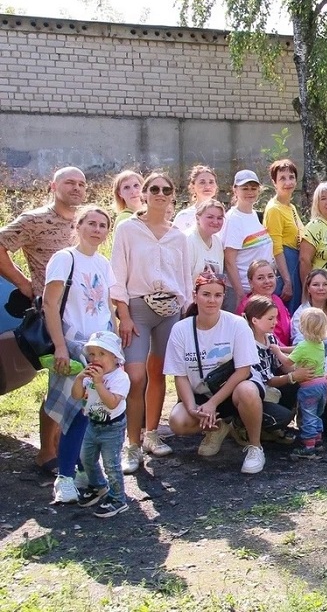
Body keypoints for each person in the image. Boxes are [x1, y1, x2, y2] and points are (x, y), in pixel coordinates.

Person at [0, 167, 86, 475]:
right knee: (58, 380)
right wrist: (23, 282)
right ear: (53, 186)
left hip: (81, 313)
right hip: (52, 314)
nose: (76, 188)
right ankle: (47, 453)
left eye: (81, 184)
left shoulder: (82, 221)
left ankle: (66, 447)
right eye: (69, 182)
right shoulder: (34, 219)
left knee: (75, 381)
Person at [110, 172, 191, 473]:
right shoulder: (128, 230)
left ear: (172, 195)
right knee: (135, 375)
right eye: (153, 189)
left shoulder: (178, 236)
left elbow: (184, 279)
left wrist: (181, 311)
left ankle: (152, 435)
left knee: (157, 374)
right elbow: (117, 274)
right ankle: (131, 445)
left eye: (166, 189)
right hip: (138, 308)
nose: (160, 193)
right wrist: (124, 315)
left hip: (169, 310)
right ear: (144, 194)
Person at [42, 206, 117, 504]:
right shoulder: (64, 259)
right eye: (91, 223)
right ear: (79, 225)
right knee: (76, 412)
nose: (97, 229)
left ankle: (85, 472)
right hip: (73, 345)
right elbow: (50, 305)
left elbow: (108, 306)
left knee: (96, 413)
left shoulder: (103, 262)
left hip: (102, 347)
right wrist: (60, 346)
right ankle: (65, 479)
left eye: (102, 225)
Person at [164, 271, 266, 474]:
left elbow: (243, 370)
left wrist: (213, 403)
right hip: (202, 391)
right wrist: (193, 407)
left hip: (233, 388)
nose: (212, 300)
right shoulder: (180, 329)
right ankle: (219, 426)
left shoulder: (237, 324)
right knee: (178, 421)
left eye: (218, 295)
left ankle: (255, 447)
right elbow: (180, 375)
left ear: (223, 297)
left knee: (247, 390)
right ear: (195, 295)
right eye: (206, 294)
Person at [71, 330, 131, 518]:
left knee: (111, 464)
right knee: (86, 458)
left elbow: (112, 402)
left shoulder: (120, 378)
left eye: (102, 354)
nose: (95, 358)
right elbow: (76, 396)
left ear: (115, 357)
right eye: (92, 354)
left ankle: (118, 498)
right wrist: (80, 379)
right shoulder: (90, 375)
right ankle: (98, 486)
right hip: (92, 423)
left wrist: (98, 383)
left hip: (112, 427)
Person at [243, 294, 311, 428]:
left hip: (271, 388)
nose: (275, 322)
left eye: (276, 318)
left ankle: (272, 427)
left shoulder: (270, 338)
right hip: (257, 392)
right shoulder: (248, 344)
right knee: (284, 417)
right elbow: (267, 380)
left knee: (296, 384)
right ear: (255, 320)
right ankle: (243, 425)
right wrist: (293, 376)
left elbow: (282, 365)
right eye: (270, 318)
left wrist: (304, 371)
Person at [222, 170, 273, 314]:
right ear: (235, 190)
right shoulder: (234, 219)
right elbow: (229, 261)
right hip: (242, 291)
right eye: (245, 188)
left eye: (253, 188)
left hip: (258, 290)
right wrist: (240, 294)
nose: (250, 192)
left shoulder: (256, 215)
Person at [289, 308, 327, 459]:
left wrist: (275, 351)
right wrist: (281, 348)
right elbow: (297, 350)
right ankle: (318, 440)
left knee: (307, 415)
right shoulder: (319, 343)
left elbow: (287, 361)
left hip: (308, 387)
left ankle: (308, 446)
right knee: (316, 414)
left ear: (302, 327)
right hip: (322, 384)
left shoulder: (303, 345)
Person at [264, 159, 304, 313]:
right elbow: (276, 247)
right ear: (274, 182)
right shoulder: (274, 209)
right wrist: (287, 280)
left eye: (291, 177)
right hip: (286, 265)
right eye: (282, 178)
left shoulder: (291, 207)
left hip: (296, 261)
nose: (288, 182)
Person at [238, 260, 291, 346]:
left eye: (270, 276)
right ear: (250, 282)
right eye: (260, 278)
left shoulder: (277, 299)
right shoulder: (247, 306)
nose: (267, 281)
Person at [172, 165, 219, 234]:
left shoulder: (223, 217)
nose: (208, 186)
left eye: (211, 182)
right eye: (202, 182)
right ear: (193, 186)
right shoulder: (184, 217)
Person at [186, 198, 226, 278]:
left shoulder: (217, 242)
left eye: (219, 218)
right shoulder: (187, 240)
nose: (215, 222)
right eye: (210, 217)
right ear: (197, 218)